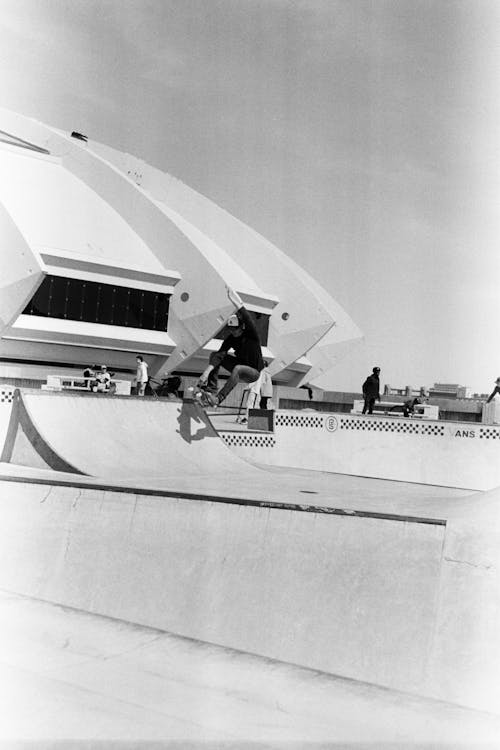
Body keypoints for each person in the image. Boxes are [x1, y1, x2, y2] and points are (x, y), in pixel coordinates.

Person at [197, 287, 264, 407]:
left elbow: (247, 316)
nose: (234, 333)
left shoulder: (251, 334)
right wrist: (206, 373)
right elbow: (220, 354)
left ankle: (218, 399)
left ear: (241, 327)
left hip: (254, 372)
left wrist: (235, 300)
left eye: (236, 330)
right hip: (240, 366)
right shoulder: (231, 338)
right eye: (231, 330)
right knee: (215, 355)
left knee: (238, 368)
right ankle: (211, 391)